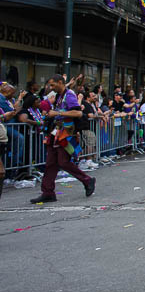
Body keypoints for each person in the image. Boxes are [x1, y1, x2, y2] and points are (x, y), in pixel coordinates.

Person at [30, 75, 96, 203]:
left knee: (63, 161)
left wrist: (58, 113)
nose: (51, 88)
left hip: (66, 133)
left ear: (60, 82)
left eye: (53, 85)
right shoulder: (61, 94)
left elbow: (78, 113)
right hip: (56, 132)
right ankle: (48, 192)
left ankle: (87, 180)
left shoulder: (69, 95)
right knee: (50, 162)